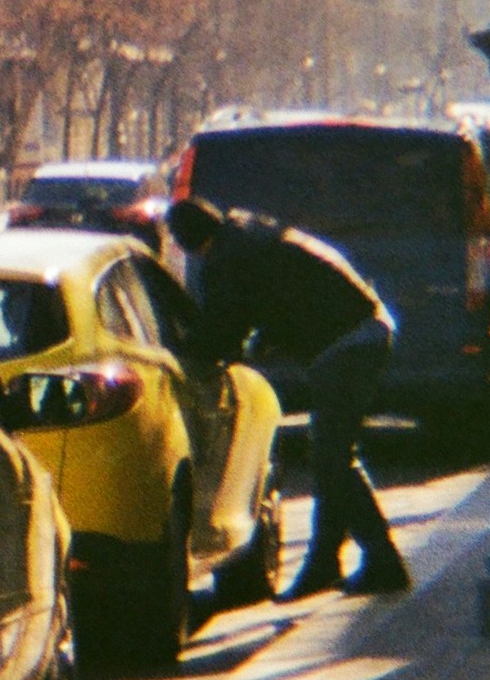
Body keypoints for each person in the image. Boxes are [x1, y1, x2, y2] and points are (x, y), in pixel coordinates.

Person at [164, 194, 413, 599]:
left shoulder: (230, 258)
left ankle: (381, 561)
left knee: (331, 457)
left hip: (346, 340)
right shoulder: (244, 234)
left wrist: (189, 351)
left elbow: (223, 328)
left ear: (187, 240)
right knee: (332, 455)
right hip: (361, 330)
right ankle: (327, 562)